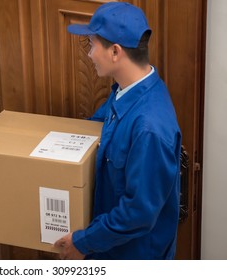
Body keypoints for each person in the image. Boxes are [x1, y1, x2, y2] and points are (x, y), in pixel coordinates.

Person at [54, 2, 182, 259]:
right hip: (112, 247)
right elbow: (94, 128)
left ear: (115, 51)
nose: (89, 54)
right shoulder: (126, 91)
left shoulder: (149, 128)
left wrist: (83, 242)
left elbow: (138, 213)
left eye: (91, 44)